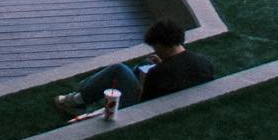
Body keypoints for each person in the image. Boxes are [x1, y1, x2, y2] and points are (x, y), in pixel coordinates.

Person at [53, 20, 215, 116]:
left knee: (118, 69)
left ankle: (78, 100)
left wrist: (145, 79)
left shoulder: (158, 73)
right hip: (178, 98)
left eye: (155, 47)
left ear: (160, 44)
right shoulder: (204, 62)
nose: (155, 50)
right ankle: (83, 91)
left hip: (146, 108)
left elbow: (143, 98)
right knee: (144, 65)